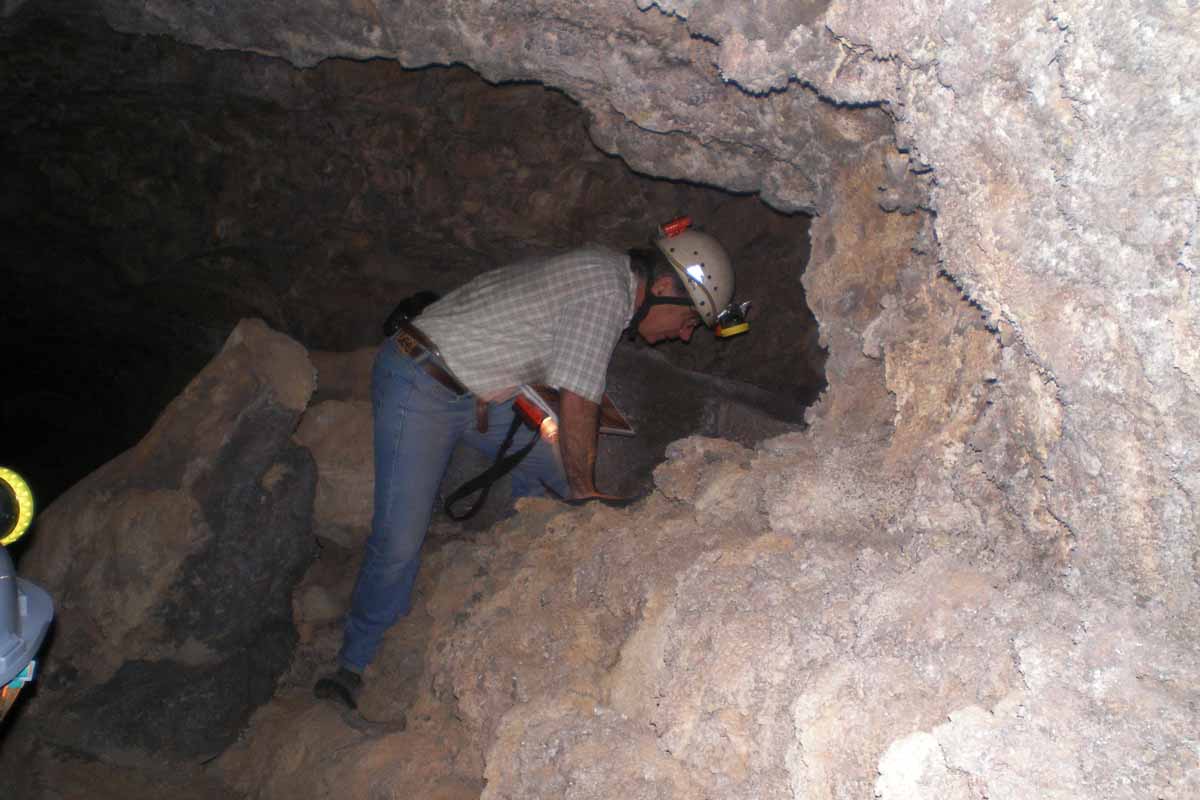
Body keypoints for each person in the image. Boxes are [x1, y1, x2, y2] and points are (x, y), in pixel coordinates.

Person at [314, 220, 739, 709]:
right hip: (422, 379)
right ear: (664, 287)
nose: (685, 336)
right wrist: (584, 488)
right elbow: (580, 400)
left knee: (556, 470)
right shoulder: (606, 292)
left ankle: (506, 561)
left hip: (486, 389)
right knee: (399, 539)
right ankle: (355, 664)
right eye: (689, 321)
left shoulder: (606, 275)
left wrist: (576, 476)